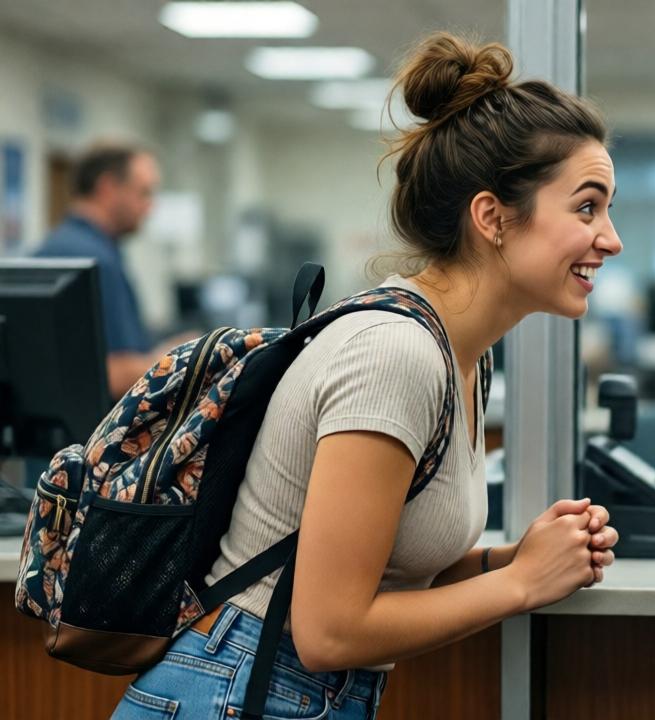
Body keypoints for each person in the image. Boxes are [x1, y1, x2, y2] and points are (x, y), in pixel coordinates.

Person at [111, 33, 621, 719]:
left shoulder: (459, 355)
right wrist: (521, 585)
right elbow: (327, 629)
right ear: (492, 218)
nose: (610, 237)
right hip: (240, 689)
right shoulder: (395, 353)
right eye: (587, 207)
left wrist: (514, 560)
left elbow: (393, 569)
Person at [34, 143, 188, 398]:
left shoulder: (55, 246)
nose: (150, 208)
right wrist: (179, 357)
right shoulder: (94, 261)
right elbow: (111, 373)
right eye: (144, 193)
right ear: (107, 188)